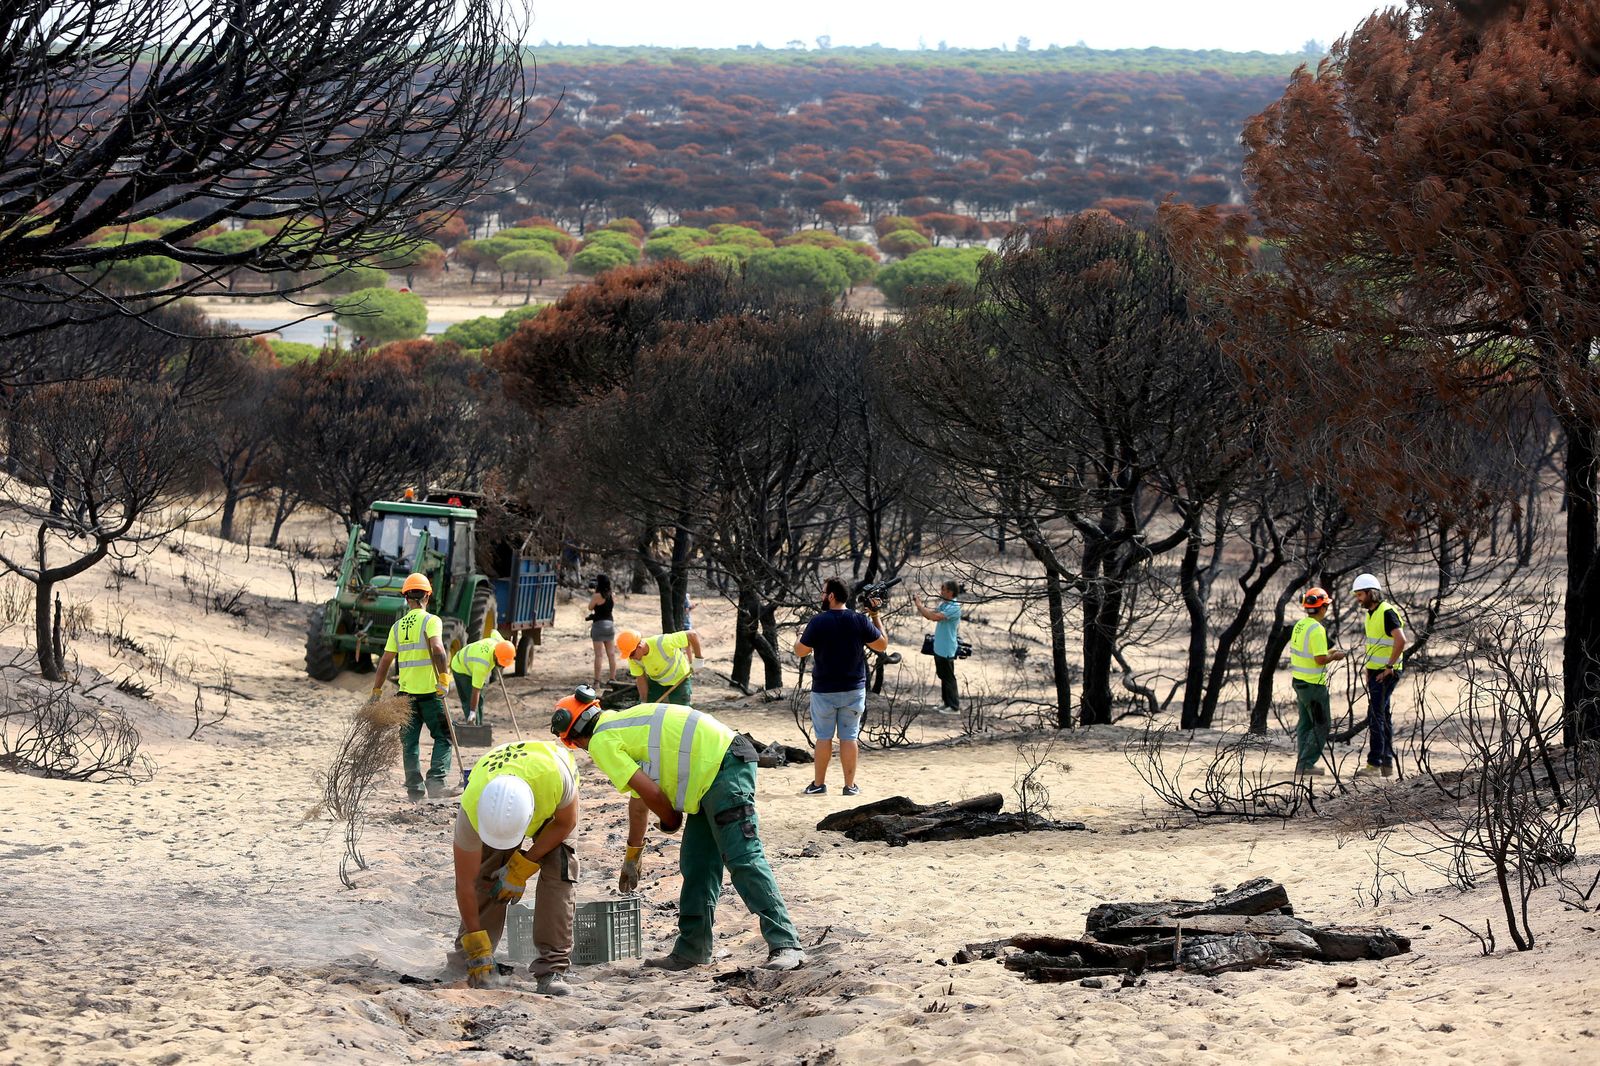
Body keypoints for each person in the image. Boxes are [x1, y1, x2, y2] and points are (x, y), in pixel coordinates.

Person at [551, 692, 805, 973]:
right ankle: (692, 950)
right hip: (711, 775)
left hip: (723, 768)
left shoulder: (601, 742)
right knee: (697, 864)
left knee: (743, 856)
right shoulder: (621, 723)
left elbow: (652, 792)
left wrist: (670, 821)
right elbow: (640, 800)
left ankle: (786, 944)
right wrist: (632, 856)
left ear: (574, 740)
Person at [449, 740, 580, 995]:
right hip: (498, 792)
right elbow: (465, 883)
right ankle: (471, 959)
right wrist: (476, 945)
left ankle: (552, 969)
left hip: (553, 807)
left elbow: (565, 823)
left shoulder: (555, 778)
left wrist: (523, 867)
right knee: (488, 872)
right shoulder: (473, 807)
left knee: (559, 867)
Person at [793, 576, 888, 797]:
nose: (821, 596)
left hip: (824, 690)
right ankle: (849, 786)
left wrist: (799, 636)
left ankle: (818, 784)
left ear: (832, 596)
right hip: (853, 689)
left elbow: (801, 651)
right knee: (849, 737)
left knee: (823, 737)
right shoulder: (859, 620)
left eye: (824, 593)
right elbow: (882, 645)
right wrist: (875, 615)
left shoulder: (818, 621)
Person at [371, 572, 454, 800]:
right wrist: (444, 677)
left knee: (409, 744)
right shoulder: (431, 621)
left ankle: (414, 792)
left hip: (405, 696)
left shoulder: (397, 627)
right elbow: (438, 649)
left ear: (406, 597)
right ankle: (436, 783)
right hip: (430, 693)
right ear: (428, 595)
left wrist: (376, 691)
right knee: (444, 736)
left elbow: (385, 662)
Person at [1351, 573, 1406, 778]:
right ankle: (1387, 765)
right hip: (1376, 671)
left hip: (1386, 672)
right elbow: (1375, 645)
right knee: (1383, 716)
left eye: (1360, 594)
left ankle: (1374, 765)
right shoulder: (1370, 613)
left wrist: (1389, 667)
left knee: (1375, 716)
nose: (1358, 598)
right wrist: (1369, 668)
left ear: (1371, 593)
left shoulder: (1386, 612)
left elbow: (1401, 641)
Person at [1287, 587, 1346, 776]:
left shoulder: (1300, 625)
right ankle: (1306, 763)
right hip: (1314, 685)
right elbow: (1319, 660)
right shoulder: (1318, 629)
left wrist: (1328, 653)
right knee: (1321, 724)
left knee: (1305, 724)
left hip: (1300, 682)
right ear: (1321, 608)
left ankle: (1302, 762)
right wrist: (1335, 657)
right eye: (1326, 605)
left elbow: (1312, 654)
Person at [912, 580, 964, 715]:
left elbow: (934, 617)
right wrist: (921, 606)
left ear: (950, 592)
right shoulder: (945, 604)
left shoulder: (954, 607)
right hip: (939, 646)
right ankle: (946, 703)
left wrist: (919, 605)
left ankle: (954, 706)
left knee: (948, 677)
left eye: (944, 590)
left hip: (947, 647)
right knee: (943, 675)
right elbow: (931, 612)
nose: (941, 592)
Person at [616, 626, 703, 704]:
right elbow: (641, 679)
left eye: (631, 655)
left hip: (680, 679)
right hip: (657, 682)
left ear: (640, 646)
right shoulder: (634, 658)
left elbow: (692, 634)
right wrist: (644, 701)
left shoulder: (663, 642)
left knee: (681, 711)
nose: (631, 658)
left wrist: (698, 659)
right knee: (650, 708)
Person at [450, 630, 516, 725]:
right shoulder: (482, 664)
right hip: (461, 668)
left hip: (473, 662)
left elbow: (493, 631)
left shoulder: (500, 643)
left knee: (480, 698)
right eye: (501, 663)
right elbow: (475, 690)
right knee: (470, 702)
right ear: (496, 655)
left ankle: (479, 726)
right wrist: (472, 712)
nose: (502, 666)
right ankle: (473, 729)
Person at [587, 575, 619, 687]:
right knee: (611, 654)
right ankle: (613, 679)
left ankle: (596, 681)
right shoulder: (612, 595)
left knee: (599, 655)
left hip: (598, 626)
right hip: (610, 625)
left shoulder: (596, 596)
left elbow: (590, 607)